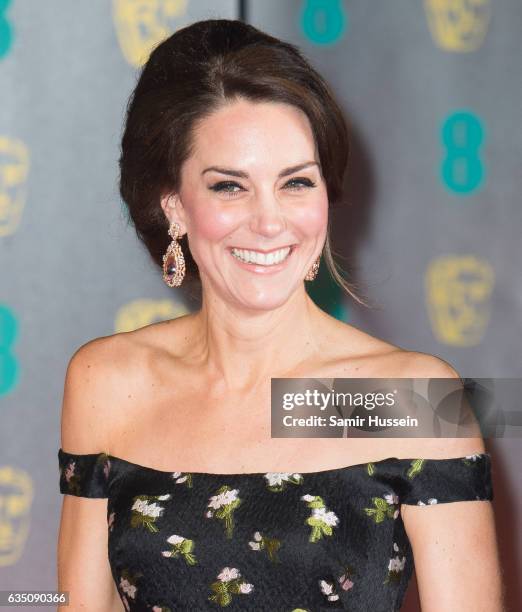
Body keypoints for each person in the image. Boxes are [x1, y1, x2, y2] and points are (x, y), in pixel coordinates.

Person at [56, 18, 503, 612]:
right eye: (229, 187)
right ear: (174, 207)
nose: (270, 223)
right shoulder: (106, 382)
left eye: (295, 182)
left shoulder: (413, 398)